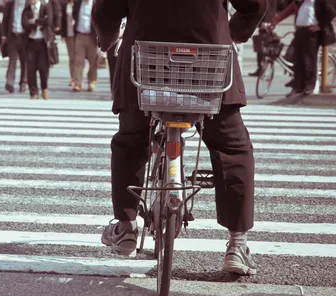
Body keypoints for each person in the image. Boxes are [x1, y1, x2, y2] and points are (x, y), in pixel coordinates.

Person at [92, 0, 267, 276]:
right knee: (232, 147)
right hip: (209, 63)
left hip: (146, 66)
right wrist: (233, 32)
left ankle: (126, 227)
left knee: (131, 139)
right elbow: (255, 5)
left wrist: (108, 38)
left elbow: (106, 10)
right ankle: (237, 243)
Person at [271, 0, 336, 96]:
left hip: (311, 33)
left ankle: (309, 86)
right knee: (298, 60)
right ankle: (298, 86)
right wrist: (274, 22)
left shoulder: (319, 2)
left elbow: (331, 13)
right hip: (300, 31)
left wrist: (320, 26)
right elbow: (287, 12)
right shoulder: (300, 3)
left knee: (309, 60)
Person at [22, 0, 53, 99]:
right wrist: (40, 21)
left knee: (43, 68)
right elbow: (25, 24)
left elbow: (48, 21)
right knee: (31, 69)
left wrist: (34, 21)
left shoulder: (45, 7)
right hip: (30, 42)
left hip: (43, 42)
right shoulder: (26, 10)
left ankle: (44, 88)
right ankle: (33, 92)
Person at [2, 0, 28, 94]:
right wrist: (4, 35)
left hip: (25, 37)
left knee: (24, 62)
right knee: (12, 61)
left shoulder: (28, 4)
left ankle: (23, 83)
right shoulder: (10, 5)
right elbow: (5, 20)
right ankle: (10, 82)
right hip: (13, 36)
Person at [72, 0, 97, 92]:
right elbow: (75, 14)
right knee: (78, 61)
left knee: (93, 62)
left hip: (92, 37)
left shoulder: (95, 3)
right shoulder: (78, 3)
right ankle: (78, 83)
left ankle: (91, 82)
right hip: (80, 36)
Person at [60, 0, 77, 88]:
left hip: (78, 34)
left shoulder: (79, 3)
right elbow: (62, 20)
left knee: (79, 58)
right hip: (69, 35)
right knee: (72, 58)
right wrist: (62, 34)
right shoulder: (65, 5)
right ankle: (73, 78)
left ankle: (79, 78)